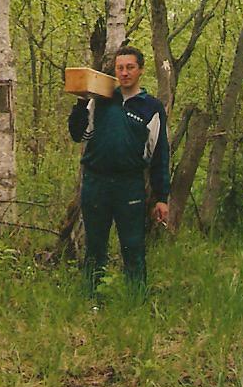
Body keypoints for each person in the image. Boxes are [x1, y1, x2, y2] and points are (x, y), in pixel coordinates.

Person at [68, 45, 170, 297]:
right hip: (96, 182)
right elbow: (78, 134)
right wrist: (81, 101)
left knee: (133, 246)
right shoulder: (101, 99)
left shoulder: (151, 108)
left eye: (130, 67)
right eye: (120, 68)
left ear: (140, 70)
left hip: (130, 185)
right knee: (95, 247)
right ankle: (93, 299)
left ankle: (135, 299)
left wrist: (161, 197)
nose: (124, 73)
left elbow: (159, 154)